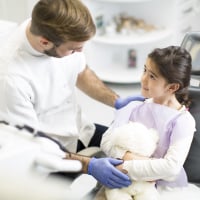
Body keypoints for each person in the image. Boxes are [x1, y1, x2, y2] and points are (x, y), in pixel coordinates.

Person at [0, 0, 145, 189]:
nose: (80, 52)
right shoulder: (11, 78)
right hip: (47, 156)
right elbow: (31, 147)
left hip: (80, 129)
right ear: (44, 42)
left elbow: (81, 72)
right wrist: (90, 166)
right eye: (74, 49)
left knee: (135, 153)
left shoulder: (54, 30)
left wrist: (116, 101)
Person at [100, 46, 200, 199]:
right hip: (124, 182)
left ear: (172, 87)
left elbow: (171, 167)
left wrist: (122, 165)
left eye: (152, 76)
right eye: (144, 70)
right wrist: (142, 162)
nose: (143, 79)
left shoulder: (183, 121)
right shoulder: (134, 107)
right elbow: (106, 141)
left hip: (165, 190)